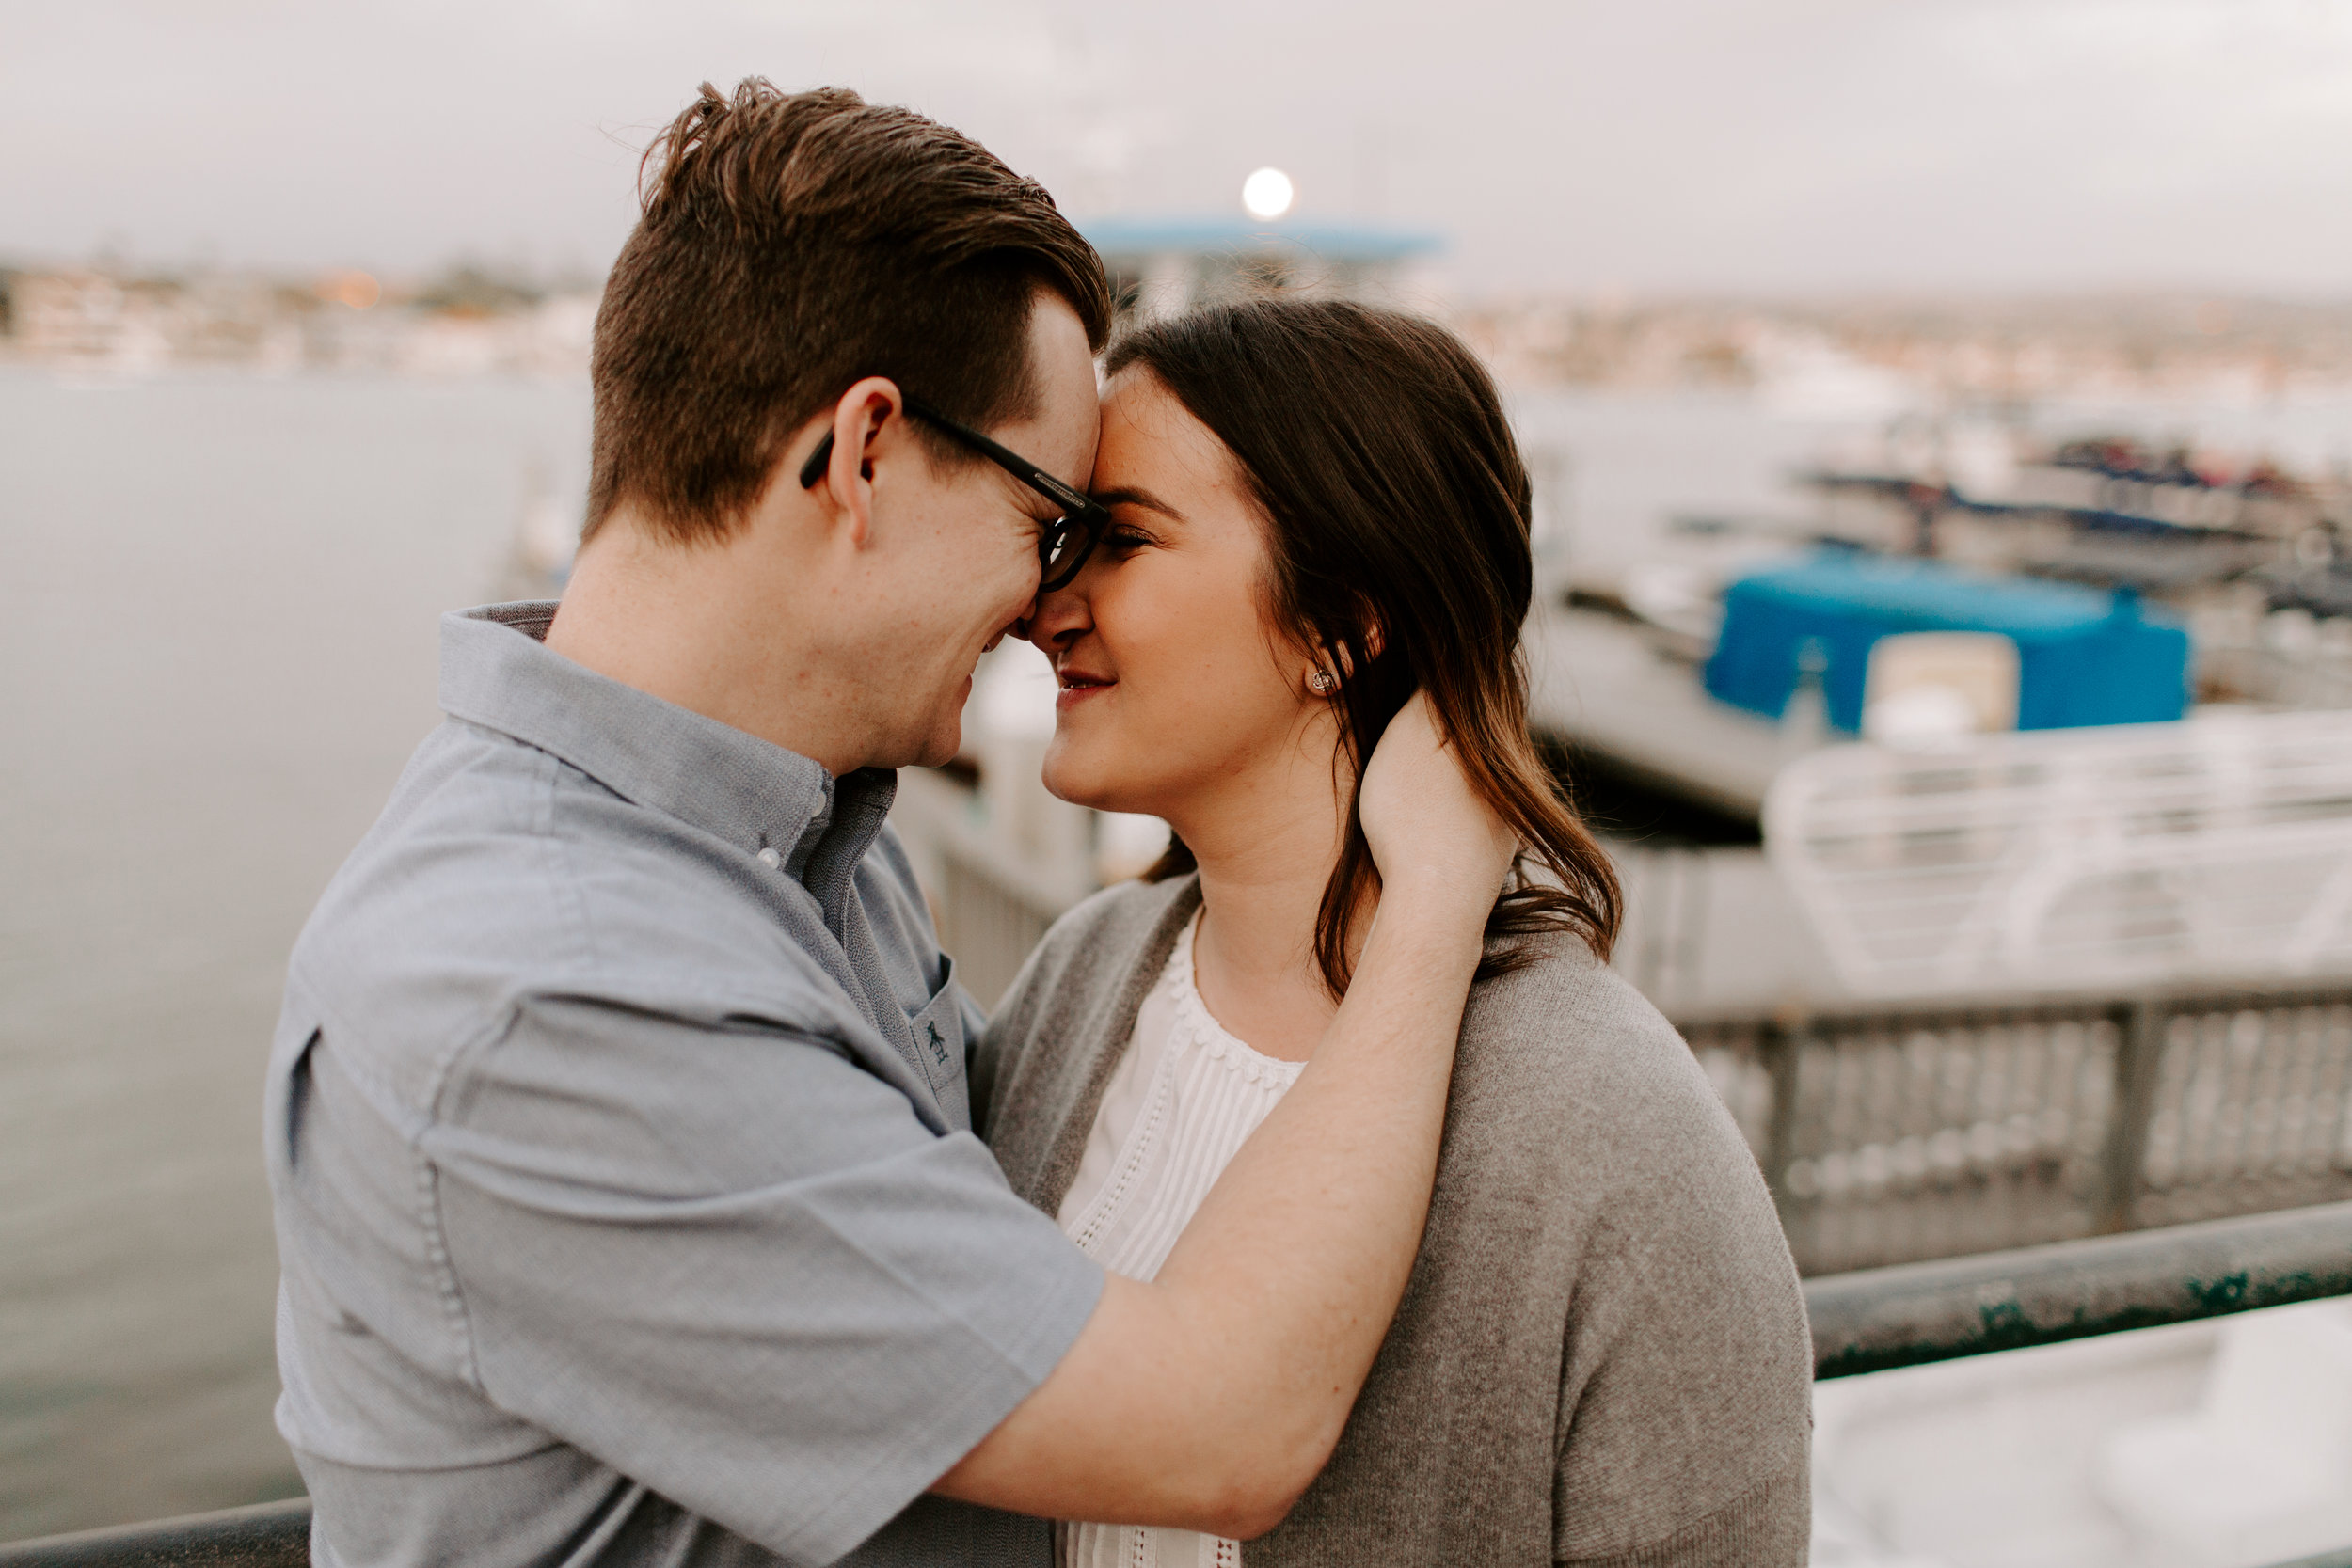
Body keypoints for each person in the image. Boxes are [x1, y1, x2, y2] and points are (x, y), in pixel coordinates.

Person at [263, 83, 1516, 1568]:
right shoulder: (547, 994)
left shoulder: (790, 837)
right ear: (864, 455)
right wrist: (1435, 897)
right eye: (1052, 517)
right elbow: (1216, 1429)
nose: (1048, 601)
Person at [976, 297, 1816, 1568]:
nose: (1050, 605)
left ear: (1344, 621)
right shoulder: (1078, 979)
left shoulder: (1612, 1133)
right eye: (1062, 541)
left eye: (1123, 541)